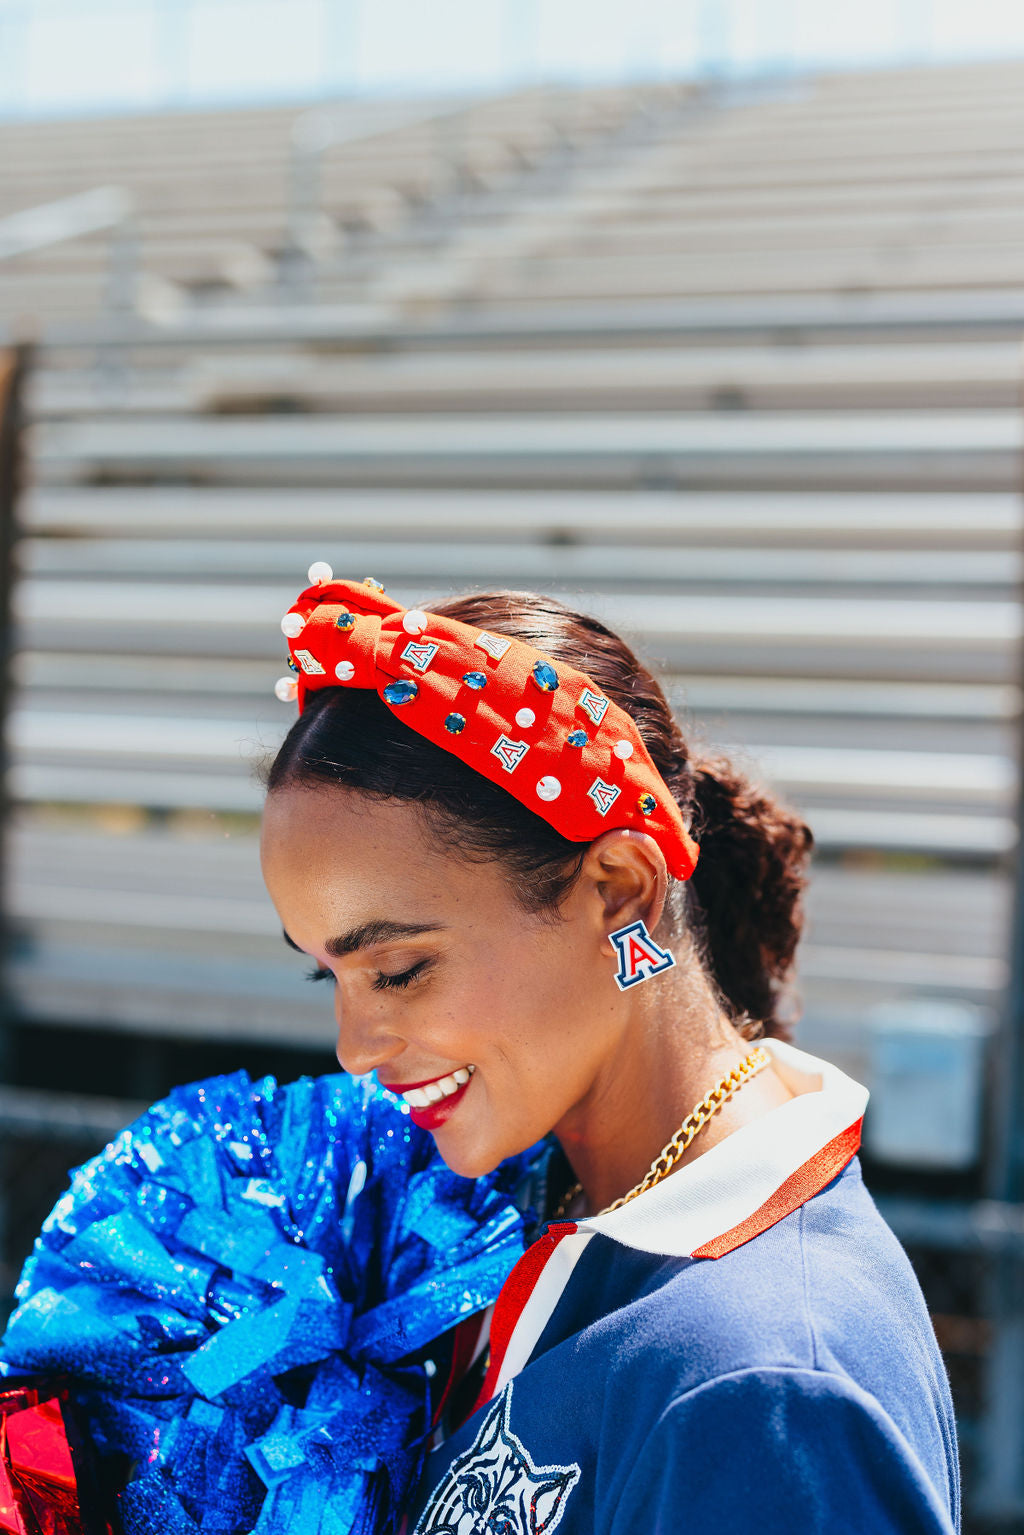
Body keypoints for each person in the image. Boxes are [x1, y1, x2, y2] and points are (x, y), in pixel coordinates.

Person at [1, 570, 959, 1535]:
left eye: (401, 968)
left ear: (621, 889)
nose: (353, 1051)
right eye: (325, 975)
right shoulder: (476, 1226)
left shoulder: (766, 1389)